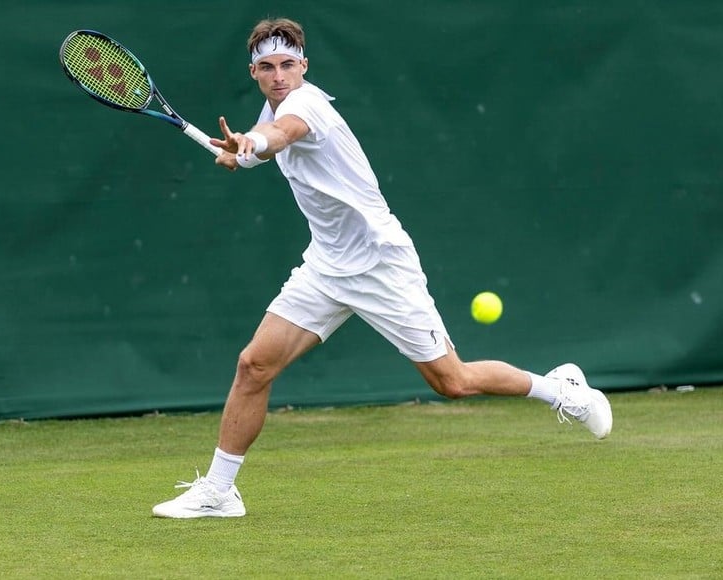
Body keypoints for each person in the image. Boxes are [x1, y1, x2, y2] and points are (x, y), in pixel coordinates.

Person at [152, 17, 612, 519]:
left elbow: (278, 136)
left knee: (452, 382)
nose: (279, 74)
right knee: (253, 365)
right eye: (268, 66)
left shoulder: (304, 105)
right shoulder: (271, 107)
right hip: (326, 265)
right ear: (255, 72)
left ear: (304, 66)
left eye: (288, 64)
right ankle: (220, 492)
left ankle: (561, 390)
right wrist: (238, 154)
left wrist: (253, 144)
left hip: (379, 262)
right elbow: (262, 142)